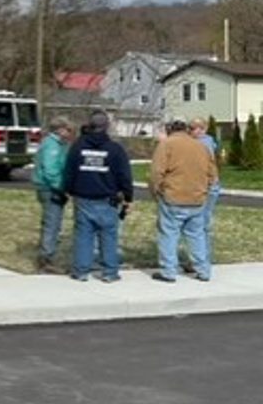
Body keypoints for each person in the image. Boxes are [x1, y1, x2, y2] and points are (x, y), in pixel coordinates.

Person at [62, 108, 133, 283]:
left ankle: (81, 271)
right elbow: (124, 175)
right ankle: (110, 272)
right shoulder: (115, 149)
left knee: (83, 235)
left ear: (90, 125)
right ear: (106, 126)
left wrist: (67, 190)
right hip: (107, 200)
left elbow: (69, 172)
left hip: (83, 198)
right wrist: (128, 197)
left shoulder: (78, 147)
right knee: (109, 236)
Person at [149, 118, 217, 282]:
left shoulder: (166, 145)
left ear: (169, 130)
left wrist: (156, 192)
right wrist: (204, 190)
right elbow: (213, 174)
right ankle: (203, 270)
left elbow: (157, 172)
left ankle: (169, 272)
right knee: (196, 235)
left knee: (169, 234)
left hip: (173, 196)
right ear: (186, 130)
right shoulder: (201, 146)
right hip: (197, 198)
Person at [31, 116, 73, 272]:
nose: (70, 133)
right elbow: (51, 170)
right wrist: (62, 187)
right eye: (68, 130)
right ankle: (46, 259)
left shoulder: (56, 144)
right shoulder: (52, 146)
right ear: (60, 129)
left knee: (50, 221)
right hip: (50, 188)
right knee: (52, 223)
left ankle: (45, 252)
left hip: (48, 187)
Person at [183, 117, 222, 271]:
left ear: (204, 129)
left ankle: (201, 261)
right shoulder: (208, 142)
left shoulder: (202, 144)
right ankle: (200, 259)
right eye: (192, 128)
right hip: (208, 186)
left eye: (198, 128)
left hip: (206, 188)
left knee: (200, 225)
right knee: (201, 224)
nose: (195, 131)